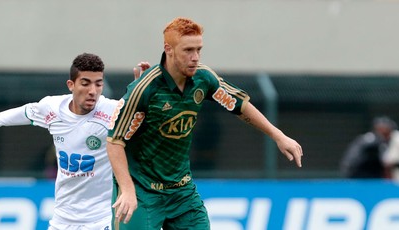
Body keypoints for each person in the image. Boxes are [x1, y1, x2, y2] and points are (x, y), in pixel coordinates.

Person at [106, 17, 304, 230]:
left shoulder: (204, 78)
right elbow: (115, 141)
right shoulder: (144, 89)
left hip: (181, 191)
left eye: (199, 50)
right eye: (188, 50)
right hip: (142, 190)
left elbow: (239, 105)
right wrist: (126, 189)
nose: (195, 57)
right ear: (168, 49)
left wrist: (279, 136)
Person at [0, 53, 144, 230]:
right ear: (71, 85)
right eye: (85, 83)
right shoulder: (53, 109)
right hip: (63, 218)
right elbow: (23, 113)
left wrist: (143, 94)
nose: (92, 91)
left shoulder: (112, 111)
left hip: (100, 217)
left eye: (98, 84)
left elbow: (148, 122)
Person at [340, 116, 399, 183]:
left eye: (386, 131)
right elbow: (352, 163)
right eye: (380, 130)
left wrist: (394, 165)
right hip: (373, 183)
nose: (383, 134)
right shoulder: (367, 141)